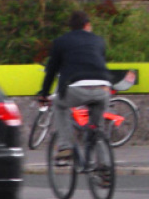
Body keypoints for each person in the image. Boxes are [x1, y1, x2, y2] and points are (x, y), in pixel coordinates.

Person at [38, 10, 111, 162]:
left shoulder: (61, 41)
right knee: (97, 129)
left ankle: (65, 146)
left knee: (58, 104)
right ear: (87, 25)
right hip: (103, 88)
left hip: (77, 87)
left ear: (70, 27)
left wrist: (44, 94)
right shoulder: (99, 40)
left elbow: (51, 71)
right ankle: (105, 169)